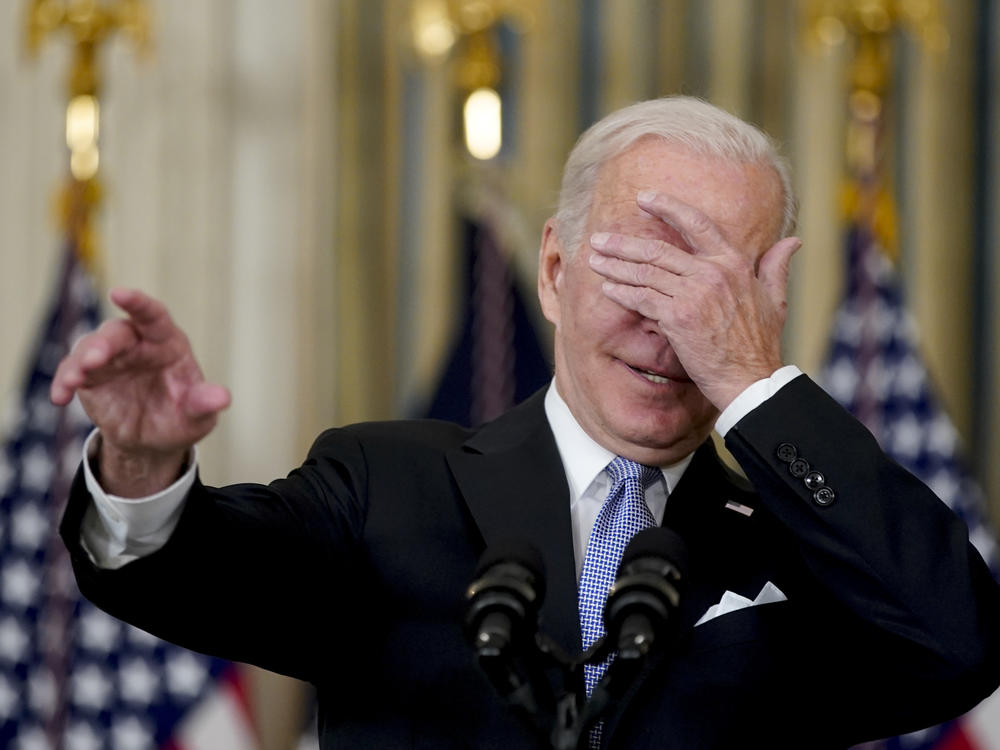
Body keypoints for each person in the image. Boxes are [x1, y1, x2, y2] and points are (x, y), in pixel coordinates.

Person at [54, 97, 1000, 749]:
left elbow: (957, 642)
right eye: (639, 273)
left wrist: (756, 382)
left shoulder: (807, 545)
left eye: (709, 292)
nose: (667, 325)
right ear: (554, 270)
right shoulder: (389, 486)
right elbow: (195, 574)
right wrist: (141, 468)